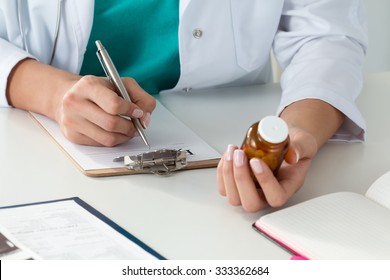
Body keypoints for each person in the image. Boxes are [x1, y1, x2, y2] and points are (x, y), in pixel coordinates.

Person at [0, 0, 367, 212]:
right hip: (32, 155)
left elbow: (328, 37)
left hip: (213, 164)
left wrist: (299, 131)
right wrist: (51, 93)